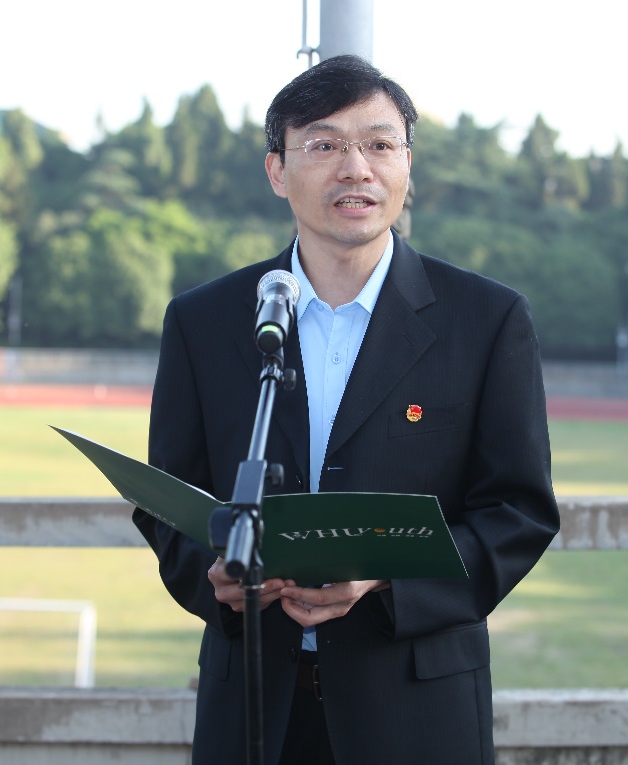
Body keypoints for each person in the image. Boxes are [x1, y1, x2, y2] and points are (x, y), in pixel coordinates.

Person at [134, 54, 560, 765]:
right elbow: (167, 500)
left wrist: (387, 579)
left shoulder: (487, 320)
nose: (355, 168)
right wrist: (218, 577)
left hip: (417, 712)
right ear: (277, 170)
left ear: (406, 165)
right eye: (325, 144)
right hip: (254, 710)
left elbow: (517, 514)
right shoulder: (203, 320)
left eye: (379, 144)